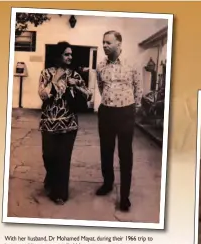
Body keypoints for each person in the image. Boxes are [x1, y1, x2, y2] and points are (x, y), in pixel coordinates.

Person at [37, 41, 91, 204]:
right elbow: (42, 94)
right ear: (58, 56)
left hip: (69, 124)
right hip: (48, 123)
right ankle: (51, 178)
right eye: (66, 54)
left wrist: (78, 86)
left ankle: (60, 193)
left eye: (71, 55)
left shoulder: (74, 75)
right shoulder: (46, 74)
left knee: (63, 158)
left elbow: (88, 95)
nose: (70, 57)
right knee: (48, 156)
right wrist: (56, 80)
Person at [95, 30, 142, 212]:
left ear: (119, 43)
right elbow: (101, 86)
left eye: (108, 42)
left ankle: (124, 196)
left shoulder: (132, 64)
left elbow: (139, 88)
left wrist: (132, 109)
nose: (105, 46)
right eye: (103, 42)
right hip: (106, 112)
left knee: (125, 155)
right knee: (106, 152)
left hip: (125, 113)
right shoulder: (100, 66)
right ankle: (107, 184)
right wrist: (109, 102)